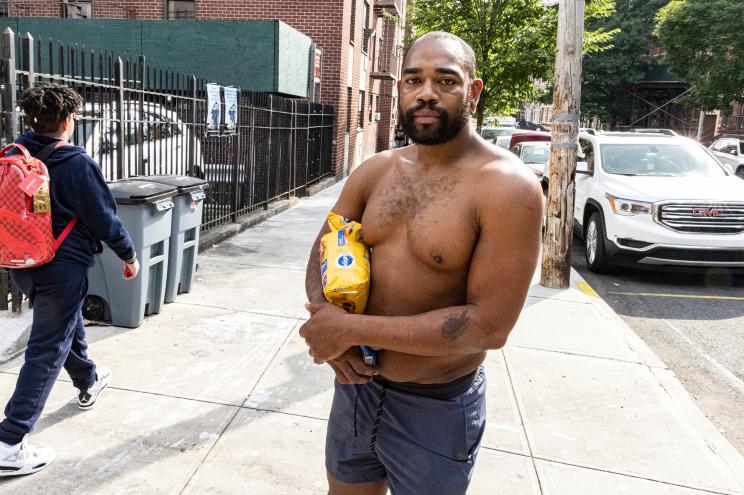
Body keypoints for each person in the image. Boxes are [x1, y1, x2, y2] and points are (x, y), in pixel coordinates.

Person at [301, 32, 543, 495]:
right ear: (400, 89)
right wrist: (330, 326)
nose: (426, 92)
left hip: (436, 408)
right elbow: (323, 252)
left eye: (445, 80)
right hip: (356, 388)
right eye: (414, 79)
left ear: (473, 91)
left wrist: (350, 332)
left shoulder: (507, 188)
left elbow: (488, 326)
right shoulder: (374, 172)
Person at [0, 83, 139, 476]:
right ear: (65, 121)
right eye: (74, 117)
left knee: (64, 323)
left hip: (22, 264)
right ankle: (10, 441)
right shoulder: (76, 163)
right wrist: (128, 255)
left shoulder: (15, 154)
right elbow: (105, 218)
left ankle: (88, 379)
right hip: (62, 267)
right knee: (46, 350)